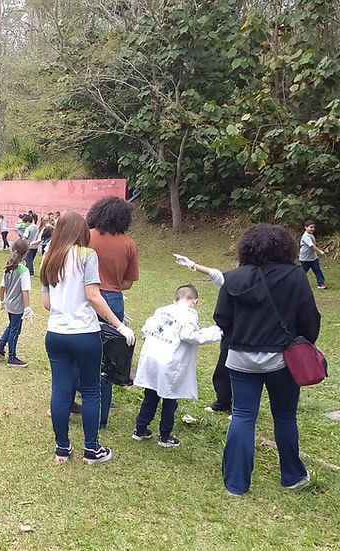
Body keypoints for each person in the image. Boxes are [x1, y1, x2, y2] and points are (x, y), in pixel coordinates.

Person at [214, 223, 321, 495]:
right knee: (284, 417)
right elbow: (309, 319)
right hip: (282, 360)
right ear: (286, 247)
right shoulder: (295, 277)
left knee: (242, 416)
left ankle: (235, 483)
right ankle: (292, 476)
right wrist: (301, 341)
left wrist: (239, 337)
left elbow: (221, 318)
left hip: (240, 359)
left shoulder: (233, 278)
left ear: (246, 247)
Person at [41, 211, 135, 465]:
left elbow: (47, 303)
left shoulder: (48, 257)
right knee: (92, 390)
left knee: (60, 390)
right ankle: (92, 450)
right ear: (81, 231)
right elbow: (93, 295)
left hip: (56, 333)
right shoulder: (87, 255)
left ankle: (62, 448)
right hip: (84, 333)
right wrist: (119, 325)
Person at [133, 285, 222, 447]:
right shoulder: (189, 314)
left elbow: (145, 329)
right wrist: (216, 332)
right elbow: (190, 335)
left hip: (152, 358)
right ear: (195, 302)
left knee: (150, 394)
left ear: (175, 299)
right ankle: (165, 436)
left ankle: (140, 429)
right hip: (169, 362)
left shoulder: (161, 310)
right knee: (169, 399)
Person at [86, 196, 140, 427]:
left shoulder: (87, 237)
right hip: (114, 300)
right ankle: (102, 417)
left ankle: (79, 399)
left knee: (83, 350)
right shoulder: (129, 244)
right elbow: (128, 282)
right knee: (108, 360)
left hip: (87, 297)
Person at [173, 253, 231, 415]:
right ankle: (223, 402)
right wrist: (194, 265)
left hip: (249, 328)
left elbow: (191, 336)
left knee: (240, 372)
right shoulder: (236, 278)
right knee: (223, 369)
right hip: (230, 329)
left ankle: (238, 409)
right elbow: (219, 276)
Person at [0, 239, 34, 367]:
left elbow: (2, 287)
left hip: (9, 304)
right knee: (15, 331)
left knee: (11, 326)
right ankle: (12, 357)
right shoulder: (24, 270)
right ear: (25, 254)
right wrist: (27, 308)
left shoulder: (8, 268)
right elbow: (25, 291)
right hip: (18, 306)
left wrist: (2, 301)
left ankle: (0, 347)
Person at [299, 220, 327, 290]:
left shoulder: (310, 234)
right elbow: (311, 246)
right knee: (303, 272)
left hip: (313, 257)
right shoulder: (306, 236)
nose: (312, 229)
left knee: (317, 270)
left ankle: (321, 283)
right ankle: (297, 282)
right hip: (305, 258)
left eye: (313, 227)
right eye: (311, 227)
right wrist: (320, 251)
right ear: (306, 227)